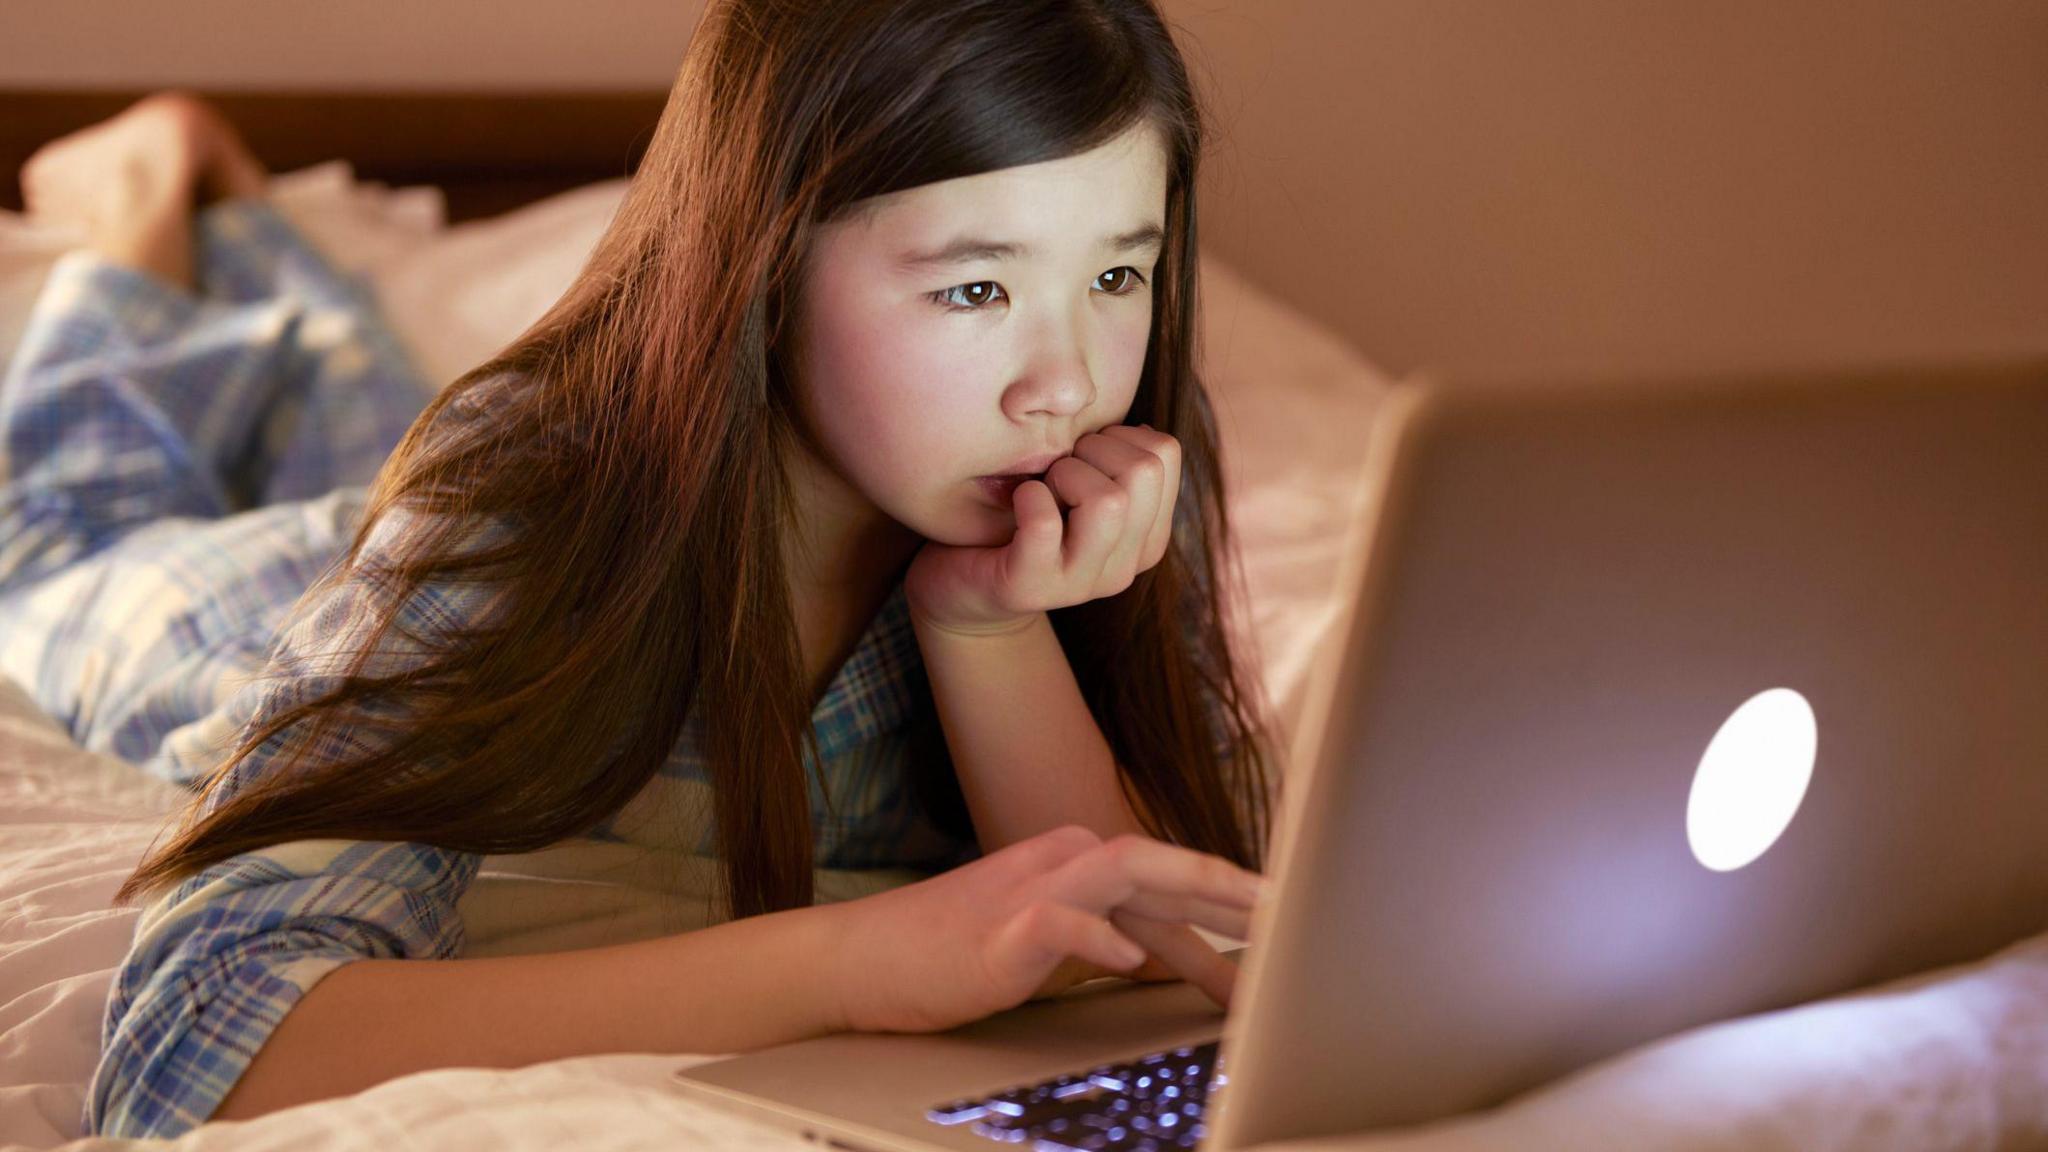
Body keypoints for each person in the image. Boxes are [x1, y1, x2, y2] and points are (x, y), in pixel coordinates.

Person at [1, 0, 1277, 1140]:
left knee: (376, 415)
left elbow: (1158, 934)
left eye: (1117, 273)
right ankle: (148, 191)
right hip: (271, 604)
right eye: (971, 291)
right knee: (66, 540)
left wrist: (988, 633)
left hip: (456, 503)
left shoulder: (1115, 473)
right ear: (763, 263)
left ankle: (269, 256)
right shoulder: (521, 516)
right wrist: (846, 960)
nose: (1061, 383)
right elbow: (194, 1050)